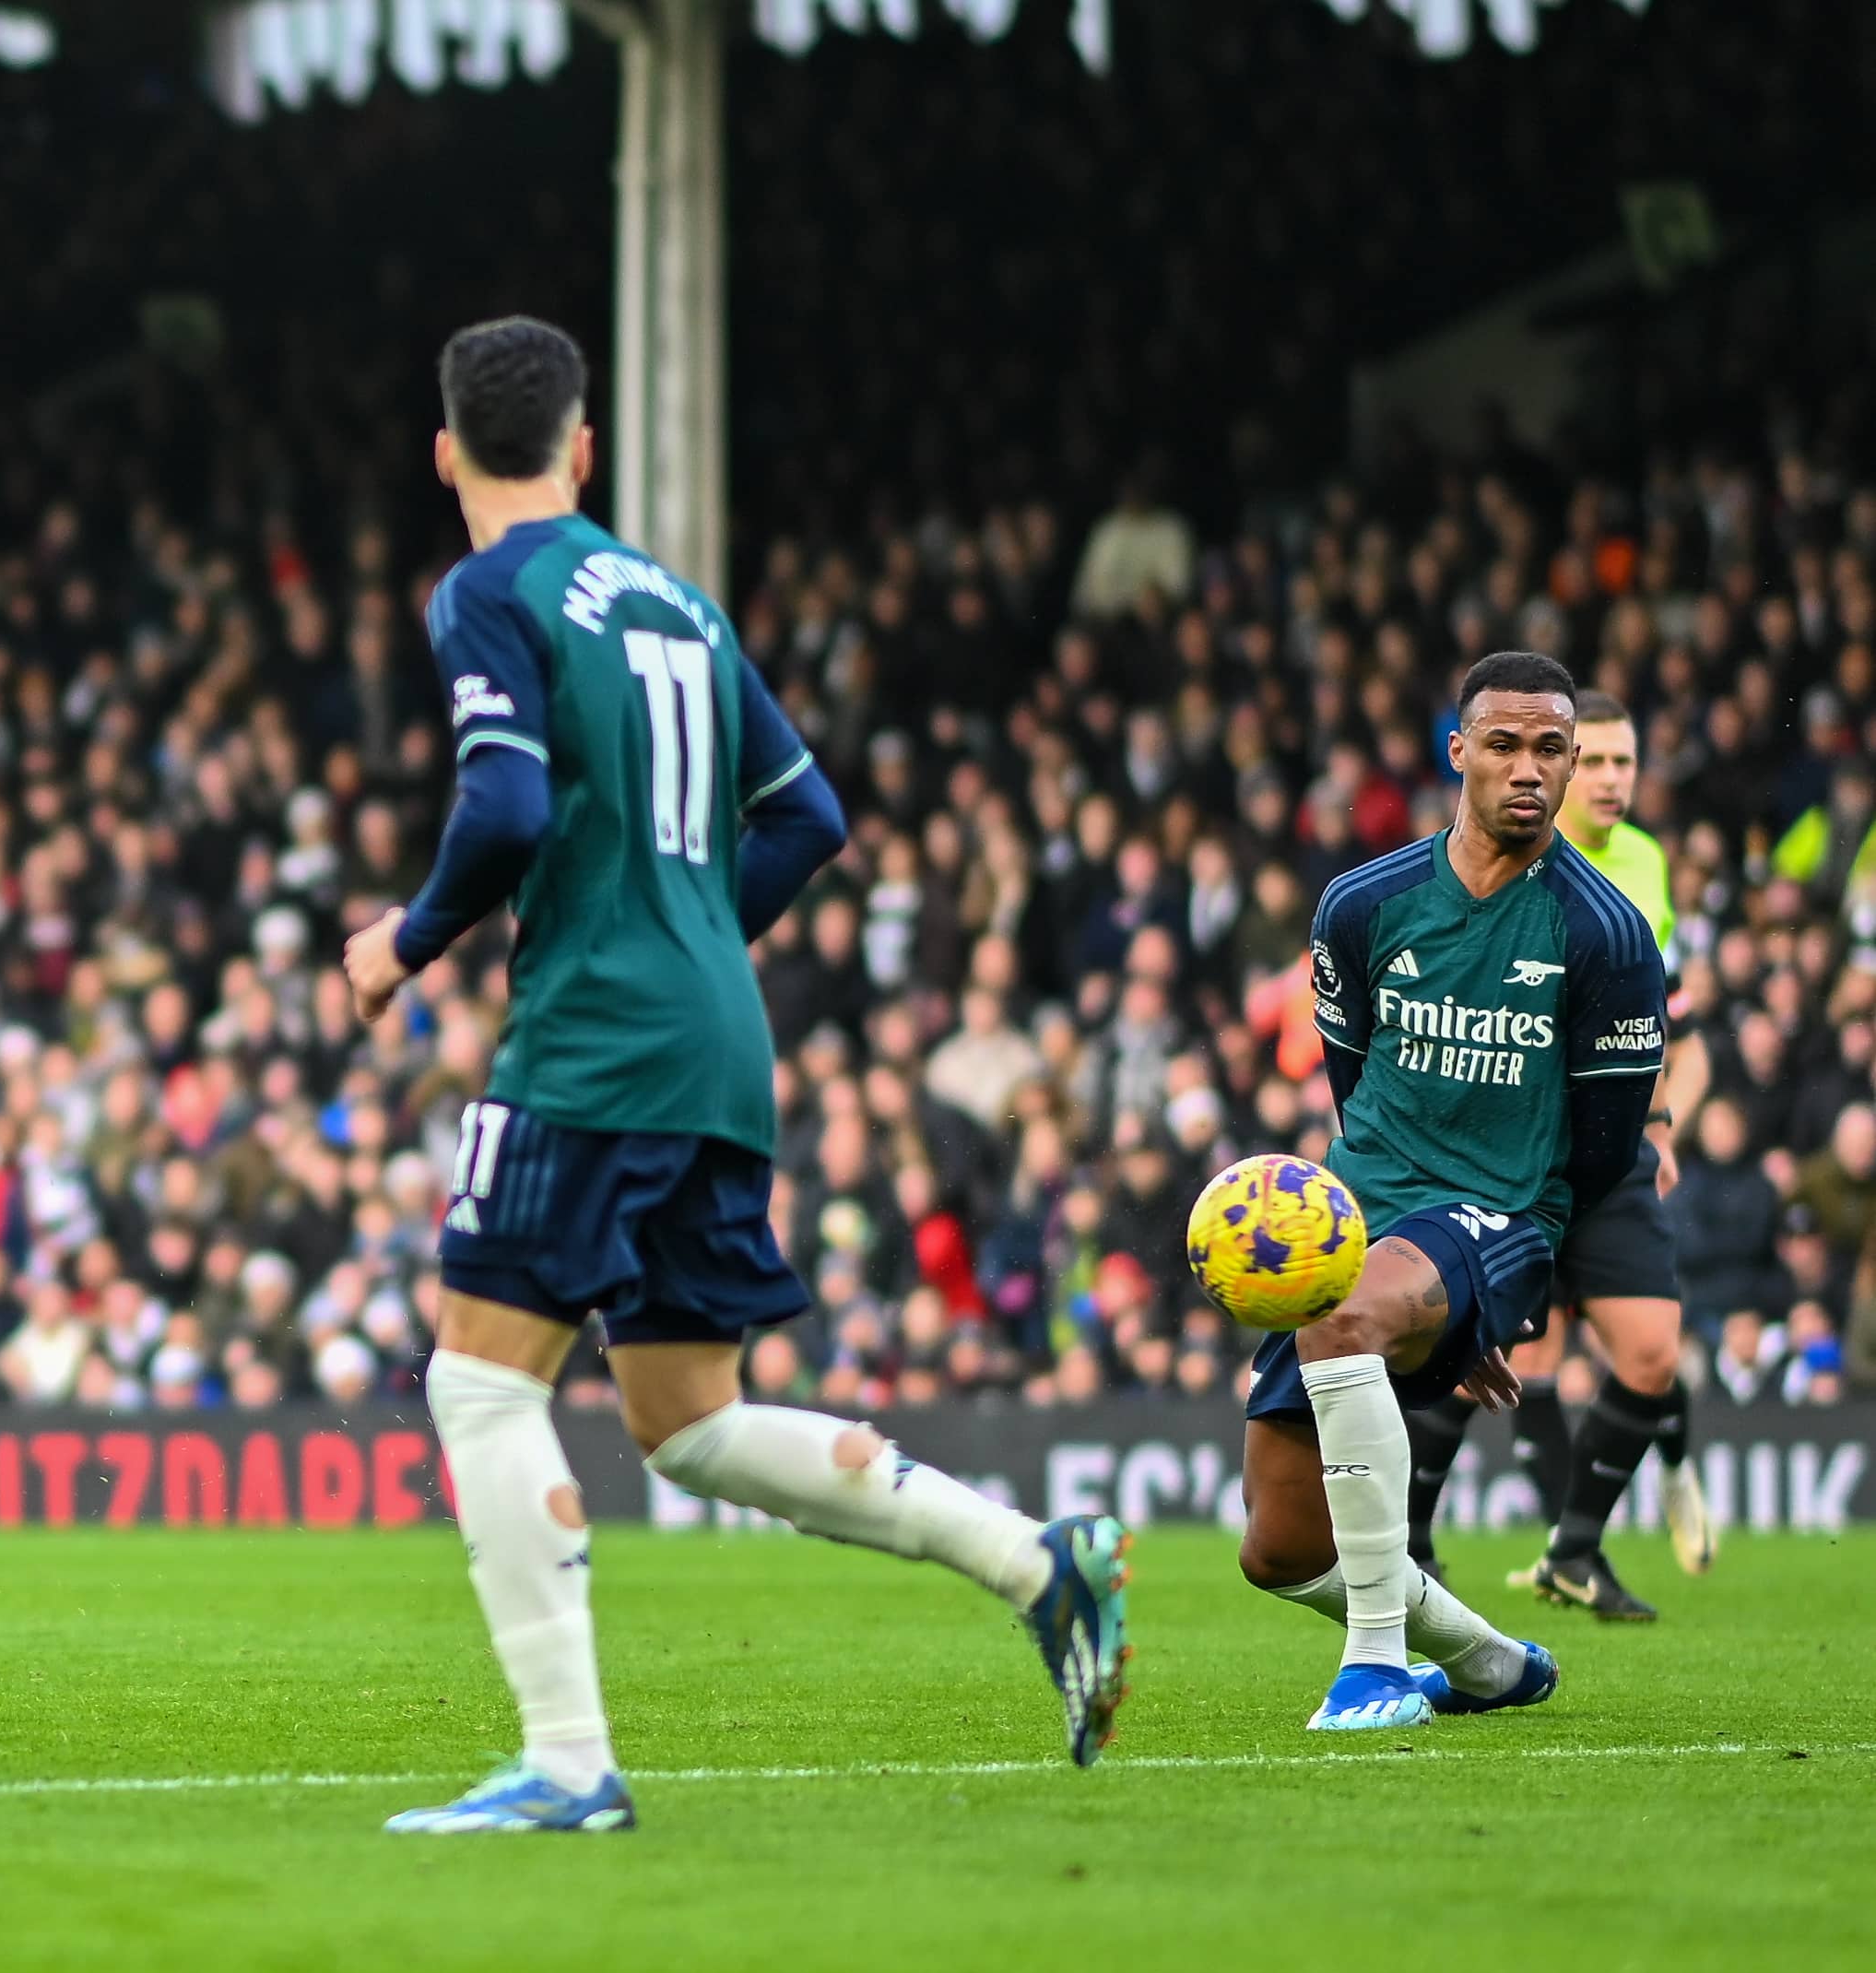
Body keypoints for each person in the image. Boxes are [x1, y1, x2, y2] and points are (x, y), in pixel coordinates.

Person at [339, 317, 1131, 1835]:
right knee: (686, 1418)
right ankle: (1038, 1564)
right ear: (582, 447)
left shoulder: (485, 590)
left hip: (594, 1032)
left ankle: (566, 1762)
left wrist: (405, 940)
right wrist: (694, 927)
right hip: (716, 1031)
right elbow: (807, 814)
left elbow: (500, 807)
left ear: (442, 453)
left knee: (478, 1381)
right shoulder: (673, 600)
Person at [1243, 652, 1666, 1731]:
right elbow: (1351, 1082)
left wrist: (1497, 1291)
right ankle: (1481, 1661)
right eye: (1506, 745)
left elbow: (1604, 1153)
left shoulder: (1606, 936)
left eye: (1551, 749)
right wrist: (1415, 1280)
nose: (1529, 769)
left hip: (1500, 1214)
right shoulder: (1359, 905)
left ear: (1571, 764)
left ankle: (1376, 1666)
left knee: (1344, 1319)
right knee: (1278, 1551)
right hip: (1366, 1208)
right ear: (1459, 753)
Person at [1401, 690, 1715, 1615]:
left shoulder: (1645, 870)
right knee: (1469, 1350)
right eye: (1601, 762)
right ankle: (1409, 1545)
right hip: (1512, 1156)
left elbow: (1676, 1024)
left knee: (1652, 1353)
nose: (1614, 780)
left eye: (1625, 762)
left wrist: (1657, 1125)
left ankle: (1572, 1551)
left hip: (1610, 1156)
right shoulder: (1500, 864)